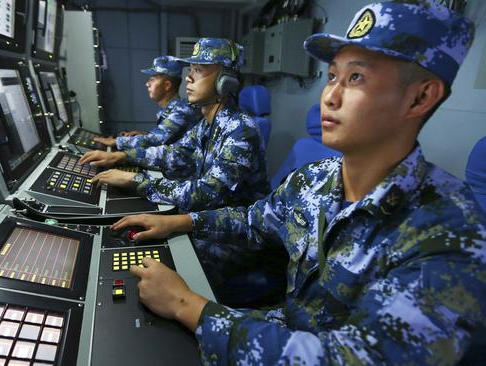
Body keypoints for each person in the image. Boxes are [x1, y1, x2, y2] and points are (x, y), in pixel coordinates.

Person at [111, 1, 486, 364]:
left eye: (356, 78)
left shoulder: (451, 232)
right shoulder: (315, 177)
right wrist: (180, 222)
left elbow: (351, 359)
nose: (330, 96)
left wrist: (186, 305)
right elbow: (255, 220)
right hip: (289, 328)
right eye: (332, 76)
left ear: (421, 97)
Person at [78, 38, 270, 213]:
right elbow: (174, 154)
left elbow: (205, 194)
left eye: (198, 70)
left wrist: (134, 180)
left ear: (225, 82)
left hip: (234, 235)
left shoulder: (241, 131)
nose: (189, 77)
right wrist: (121, 156)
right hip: (207, 217)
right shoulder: (206, 125)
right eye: (191, 69)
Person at [94, 56, 201, 150]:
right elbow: (169, 138)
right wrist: (145, 135)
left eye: (152, 80)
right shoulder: (169, 109)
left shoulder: (181, 110)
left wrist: (116, 141)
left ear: (167, 85)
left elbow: (156, 140)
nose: (147, 84)